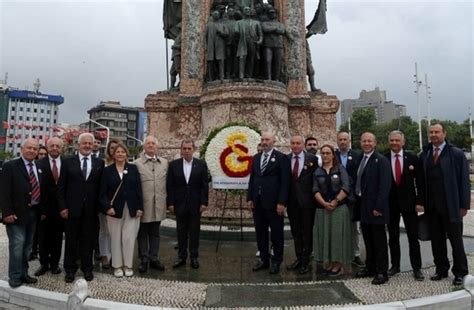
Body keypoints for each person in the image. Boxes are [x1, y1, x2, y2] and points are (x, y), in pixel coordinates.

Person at [420, 123, 470, 286]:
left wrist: (464, 205)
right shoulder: (426, 154)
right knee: (437, 240)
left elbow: (464, 181)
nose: (434, 134)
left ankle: (460, 272)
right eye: (431, 132)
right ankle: (441, 269)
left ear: (444, 133)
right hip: (432, 207)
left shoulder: (455, 153)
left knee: (456, 241)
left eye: (437, 132)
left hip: (452, 205)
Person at [58, 133, 105, 283]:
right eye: (84, 143)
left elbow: (101, 188)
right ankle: (70, 270)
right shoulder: (67, 162)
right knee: (71, 240)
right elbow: (61, 187)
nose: (87, 146)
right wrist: (63, 207)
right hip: (71, 209)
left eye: (90, 144)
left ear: (93, 146)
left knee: (88, 241)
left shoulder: (99, 163)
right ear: (78, 145)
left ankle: (87, 268)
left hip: (91, 210)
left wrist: (99, 207)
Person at [0, 138, 42, 288]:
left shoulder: (38, 167)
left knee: (27, 246)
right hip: (15, 214)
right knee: (17, 245)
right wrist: (7, 213)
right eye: (29, 148)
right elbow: (3, 192)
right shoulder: (10, 166)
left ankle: (24, 273)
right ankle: (15, 276)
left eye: (34, 149)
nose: (32, 150)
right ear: (22, 149)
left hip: (33, 213)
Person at [247, 132, 290, 274]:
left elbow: (285, 183)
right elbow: (252, 179)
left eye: (267, 140)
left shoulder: (281, 158)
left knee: (277, 233)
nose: (264, 142)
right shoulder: (256, 157)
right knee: (260, 233)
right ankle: (264, 259)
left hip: (274, 204)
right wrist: (250, 198)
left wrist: (282, 202)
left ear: (273, 141)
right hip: (258, 203)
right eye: (262, 140)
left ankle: (276, 261)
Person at [385, 131, 424, 281]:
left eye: (397, 140)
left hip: (410, 204)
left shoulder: (413, 158)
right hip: (391, 204)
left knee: (413, 237)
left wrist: (420, 201)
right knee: (393, 237)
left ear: (403, 142)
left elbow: (420, 182)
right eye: (392, 140)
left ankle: (417, 268)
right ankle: (395, 266)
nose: (394, 143)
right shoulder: (383, 158)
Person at [100, 142, 143, 277]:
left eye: (123, 152)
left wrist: (140, 208)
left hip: (131, 208)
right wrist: (107, 207)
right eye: (117, 152)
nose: (120, 154)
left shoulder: (133, 168)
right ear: (113, 154)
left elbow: (138, 189)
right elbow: (102, 193)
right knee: (116, 237)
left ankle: (128, 265)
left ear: (126, 154)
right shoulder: (107, 171)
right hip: (114, 210)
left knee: (129, 237)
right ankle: (117, 265)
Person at [354, 132, 391, 285]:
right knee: (368, 240)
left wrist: (378, 206)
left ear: (375, 143)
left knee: (379, 241)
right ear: (360, 143)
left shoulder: (380, 160)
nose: (367, 143)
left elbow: (385, 185)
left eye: (369, 141)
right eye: (364, 141)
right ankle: (370, 267)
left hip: (376, 208)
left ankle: (382, 271)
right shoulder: (361, 159)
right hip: (364, 206)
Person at [167, 139, 209, 269]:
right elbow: (170, 186)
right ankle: (181, 257)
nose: (186, 151)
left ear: (194, 150)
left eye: (189, 148)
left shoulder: (201, 164)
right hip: (179, 204)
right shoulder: (174, 165)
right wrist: (170, 203)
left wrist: (204, 202)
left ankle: (194, 257)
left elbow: (204, 186)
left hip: (195, 204)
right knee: (181, 232)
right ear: (181, 150)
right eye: (184, 148)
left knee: (195, 232)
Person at [313, 144, 352, 276]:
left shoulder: (340, 168)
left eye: (328, 153)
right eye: (323, 153)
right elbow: (315, 189)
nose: (325, 156)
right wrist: (324, 203)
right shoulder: (318, 171)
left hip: (339, 208)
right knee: (326, 235)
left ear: (332, 155)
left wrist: (336, 201)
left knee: (337, 236)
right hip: (322, 209)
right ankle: (329, 261)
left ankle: (338, 263)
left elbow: (346, 186)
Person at [134, 136, 169, 273]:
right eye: (148, 143)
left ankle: (154, 258)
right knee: (142, 233)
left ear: (157, 147)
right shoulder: (136, 163)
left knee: (155, 233)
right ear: (144, 146)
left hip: (158, 205)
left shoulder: (165, 163)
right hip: (143, 205)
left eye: (153, 143)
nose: (150, 145)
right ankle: (144, 259)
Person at [286, 135, 318, 274]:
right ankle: (299, 258)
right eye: (293, 143)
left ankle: (306, 261)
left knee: (307, 232)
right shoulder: (285, 159)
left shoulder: (312, 159)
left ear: (303, 145)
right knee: (296, 232)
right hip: (292, 202)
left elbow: (316, 179)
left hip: (307, 202)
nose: (295, 145)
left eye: (298, 143)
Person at [34, 137, 65, 277]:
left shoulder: (68, 163)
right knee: (43, 238)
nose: (54, 148)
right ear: (47, 147)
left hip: (62, 209)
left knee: (58, 238)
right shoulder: (38, 164)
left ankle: (54, 264)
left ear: (61, 148)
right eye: (52, 146)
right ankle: (44, 264)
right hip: (44, 209)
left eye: (57, 146)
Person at [335, 131, 363, 267]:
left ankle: (356, 254)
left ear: (349, 140)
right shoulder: (332, 155)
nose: (343, 142)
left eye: (345, 139)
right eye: (340, 139)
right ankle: (339, 254)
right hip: (337, 197)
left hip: (352, 198)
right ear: (337, 141)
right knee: (337, 227)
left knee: (354, 228)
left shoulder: (357, 155)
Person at [97, 139, 120, 269]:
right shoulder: (103, 165)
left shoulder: (124, 164)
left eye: (117, 148)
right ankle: (104, 255)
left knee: (115, 232)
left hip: (119, 205)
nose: (114, 150)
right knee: (104, 230)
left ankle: (114, 255)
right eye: (112, 148)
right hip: (104, 203)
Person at [29, 145, 48, 261]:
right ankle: (33, 251)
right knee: (33, 232)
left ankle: (41, 253)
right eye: (40, 154)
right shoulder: (32, 167)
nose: (42, 156)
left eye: (45, 154)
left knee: (41, 231)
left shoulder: (45, 169)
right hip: (31, 205)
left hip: (43, 206)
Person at [206, 10, 229, 81]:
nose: (216, 15)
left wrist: (221, 33)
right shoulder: (209, 25)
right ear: (212, 15)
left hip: (220, 46)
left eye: (217, 14)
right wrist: (205, 46)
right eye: (215, 14)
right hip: (211, 46)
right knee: (211, 63)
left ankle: (222, 77)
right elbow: (205, 36)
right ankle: (211, 78)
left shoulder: (222, 25)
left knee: (221, 61)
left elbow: (227, 33)